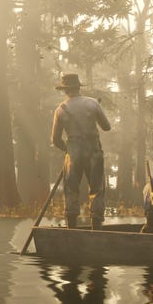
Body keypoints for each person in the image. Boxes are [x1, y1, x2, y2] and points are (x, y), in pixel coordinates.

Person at [51, 74, 111, 229]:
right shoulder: (92, 103)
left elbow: (55, 140)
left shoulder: (60, 109)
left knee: (71, 189)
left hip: (73, 152)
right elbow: (106, 126)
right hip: (93, 150)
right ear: (78, 87)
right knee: (97, 189)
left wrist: (69, 149)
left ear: (65, 90)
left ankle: (72, 228)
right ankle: (96, 228)